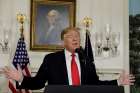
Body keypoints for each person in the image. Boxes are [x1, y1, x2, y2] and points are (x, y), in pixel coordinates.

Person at [3, 27, 135, 90]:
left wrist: (117, 82)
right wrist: (20, 78)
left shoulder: (86, 59)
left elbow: (95, 83)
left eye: (77, 36)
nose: (75, 38)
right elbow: (38, 83)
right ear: (63, 41)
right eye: (71, 36)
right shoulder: (51, 59)